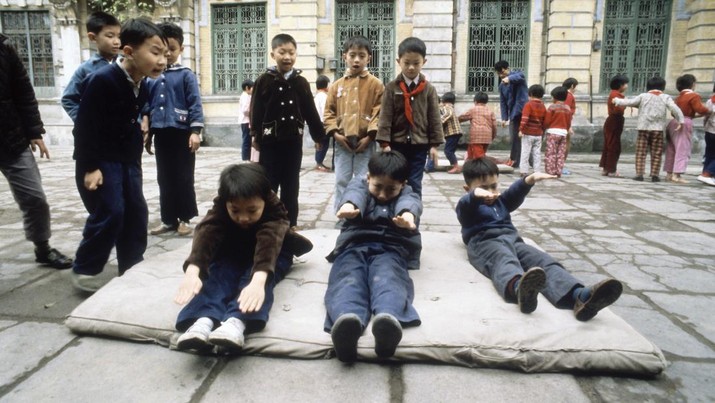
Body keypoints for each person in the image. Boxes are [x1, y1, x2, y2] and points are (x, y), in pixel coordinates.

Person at [456, 157, 623, 320]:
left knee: (542, 260)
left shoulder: (501, 202)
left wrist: (529, 180)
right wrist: (475, 195)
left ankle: (580, 296)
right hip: (484, 243)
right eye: (484, 188)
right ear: (467, 189)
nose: (491, 192)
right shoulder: (469, 206)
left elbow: (513, 194)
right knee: (504, 258)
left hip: (513, 240)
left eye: (494, 186)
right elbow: (464, 205)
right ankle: (519, 289)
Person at [70, 18, 167, 292]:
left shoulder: (144, 83)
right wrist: (90, 166)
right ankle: (85, 268)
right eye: (155, 52)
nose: (162, 60)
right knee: (112, 210)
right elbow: (85, 127)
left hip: (128, 159)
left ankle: (132, 265)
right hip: (101, 159)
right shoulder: (102, 80)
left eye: (164, 53)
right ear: (129, 51)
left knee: (137, 210)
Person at [174, 164, 313, 351]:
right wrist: (193, 271)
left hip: (272, 254)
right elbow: (207, 231)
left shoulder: (275, 209)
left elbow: (268, 242)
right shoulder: (222, 204)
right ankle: (203, 321)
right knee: (218, 274)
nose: (244, 218)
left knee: (254, 284)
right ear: (226, 203)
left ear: (264, 199)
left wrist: (258, 281)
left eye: (252, 210)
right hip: (235, 249)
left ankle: (236, 322)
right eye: (235, 211)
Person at [324, 151, 422, 362]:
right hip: (354, 245)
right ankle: (347, 321)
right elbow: (354, 194)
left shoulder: (407, 193)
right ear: (368, 177)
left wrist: (407, 216)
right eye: (377, 187)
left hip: (391, 248)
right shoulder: (359, 185)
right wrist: (349, 206)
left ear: (402, 184)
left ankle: (387, 320)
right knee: (348, 278)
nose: (383, 195)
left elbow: (411, 203)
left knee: (388, 278)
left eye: (391, 189)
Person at [0, 33, 73, 270]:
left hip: (10, 138)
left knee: (34, 197)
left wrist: (34, 132)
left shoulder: (4, 48)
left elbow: (23, 91)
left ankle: (43, 248)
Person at [250, 33, 327, 228]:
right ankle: (268, 221)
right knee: (269, 184)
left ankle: (290, 222)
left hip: (293, 143)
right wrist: (255, 135)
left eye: (291, 52)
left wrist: (319, 136)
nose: (287, 57)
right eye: (282, 52)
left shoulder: (300, 82)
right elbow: (256, 110)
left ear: (296, 55)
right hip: (269, 144)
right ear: (272, 54)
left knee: (291, 186)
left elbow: (310, 110)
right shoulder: (263, 81)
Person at [144, 23, 204, 237]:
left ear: (181, 50)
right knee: (164, 178)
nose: (167, 53)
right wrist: (148, 132)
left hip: (182, 134)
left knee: (183, 177)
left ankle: (185, 218)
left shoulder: (186, 75)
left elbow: (195, 103)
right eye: (162, 49)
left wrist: (195, 131)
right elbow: (146, 105)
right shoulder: (150, 76)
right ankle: (168, 219)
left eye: (172, 48)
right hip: (161, 133)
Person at [376, 36, 444, 198]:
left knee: (414, 183)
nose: (411, 68)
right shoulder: (392, 88)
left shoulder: (428, 89)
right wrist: (384, 143)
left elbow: (434, 118)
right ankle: (394, 218)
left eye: (416, 63)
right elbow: (385, 116)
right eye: (407, 63)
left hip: (419, 145)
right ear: (398, 61)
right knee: (395, 182)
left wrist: (434, 145)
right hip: (396, 145)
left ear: (424, 62)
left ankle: (411, 218)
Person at [325, 35, 385, 211]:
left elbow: (379, 112)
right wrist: (335, 134)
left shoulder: (376, 85)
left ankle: (360, 212)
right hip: (342, 142)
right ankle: (342, 213)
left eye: (361, 55)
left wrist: (370, 137)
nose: (356, 60)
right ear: (345, 56)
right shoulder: (336, 86)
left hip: (365, 142)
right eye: (352, 55)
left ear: (369, 58)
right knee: (341, 179)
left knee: (364, 178)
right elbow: (328, 112)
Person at [614, 76, 684, 182]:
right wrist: (681, 120)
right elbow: (675, 108)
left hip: (643, 128)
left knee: (641, 152)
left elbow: (630, 102)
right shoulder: (665, 97)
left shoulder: (643, 96)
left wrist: (617, 100)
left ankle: (639, 174)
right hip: (658, 129)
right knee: (657, 153)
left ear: (648, 87)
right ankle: (655, 175)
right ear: (663, 87)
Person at [61, 11, 121, 122]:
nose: (117, 42)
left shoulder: (124, 64)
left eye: (119, 36)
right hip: (97, 134)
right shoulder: (85, 69)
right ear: (93, 37)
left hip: (123, 131)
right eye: (110, 36)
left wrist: (141, 118)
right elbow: (68, 99)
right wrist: (84, 121)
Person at [664, 74, 709, 184]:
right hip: (684, 123)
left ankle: (669, 173)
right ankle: (677, 174)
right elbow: (700, 109)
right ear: (693, 84)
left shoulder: (678, 97)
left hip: (673, 122)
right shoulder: (693, 96)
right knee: (682, 149)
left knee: (671, 149)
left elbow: (673, 112)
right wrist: (709, 111)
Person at [494, 60, 528, 169]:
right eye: (499, 73)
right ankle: (515, 160)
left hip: (524, 111)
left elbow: (520, 76)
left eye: (502, 72)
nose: (501, 75)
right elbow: (503, 102)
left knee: (528, 138)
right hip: (513, 113)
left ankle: (523, 160)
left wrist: (509, 78)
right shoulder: (502, 85)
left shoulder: (517, 75)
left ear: (507, 69)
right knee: (514, 138)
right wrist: (504, 118)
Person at [599, 75, 629, 177]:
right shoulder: (617, 96)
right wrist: (625, 104)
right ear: (620, 85)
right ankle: (611, 170)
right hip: (615, 120)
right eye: (625, 84)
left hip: (611, 121)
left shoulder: (612, 93)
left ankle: (605, 169)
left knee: (608, 144)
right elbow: (618, 110)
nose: (626, 86)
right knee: (614, 145)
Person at [458, 91, 497, 161]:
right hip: (487, 136)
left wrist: (456, 120)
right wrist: (492, 136)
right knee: (477, 153)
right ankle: (470, 166)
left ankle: (491, 164)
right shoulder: (490, 111)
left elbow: (462, 117)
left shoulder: (473, 110)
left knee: (480, 157)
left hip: (476, 136)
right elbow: (494, 126)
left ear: (475, 101)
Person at [518, 84, 546, 177]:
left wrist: (521, 129)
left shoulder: (528, 105)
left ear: (530, 94)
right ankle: (537, 170)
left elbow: (524, 118)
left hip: (528, 133)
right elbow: (545, 121)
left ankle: (524, 171)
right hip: (538, 134)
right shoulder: (543, 106)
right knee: (537, 153)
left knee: (525, 152)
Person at [543, 87, 572, 178]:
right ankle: (558, 171)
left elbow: (547, 121)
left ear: (554, 97)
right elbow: (569, 122)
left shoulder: (552, 107)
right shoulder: (567, 108)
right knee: (560, 153)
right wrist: (566, 130)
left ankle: (550, 171)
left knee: (551, 152)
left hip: (553, 132)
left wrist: (544, 127)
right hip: (563, 133)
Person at [312, 74, 331, 172]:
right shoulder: (324, 97)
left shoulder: (316, 96)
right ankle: (319, 163)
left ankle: (319, 162)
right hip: (322, 123)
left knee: (320, 143)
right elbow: (325, 111)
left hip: (317, 123)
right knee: (324, 143)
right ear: (326, 85)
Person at [440, 91, 463, 174]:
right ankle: (454, 165)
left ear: (443, 100)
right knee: (451, 151)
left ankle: (456, 166)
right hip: (455, 132)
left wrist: (439, 122)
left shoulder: (447, 107)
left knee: (448, 151)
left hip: (453, 132)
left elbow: (447, 114)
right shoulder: (450, 106)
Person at [561, 77, 578, 175]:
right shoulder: (569, 96)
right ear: (572, 86)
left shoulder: (564, 94)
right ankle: (561, 165)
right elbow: (566, 111)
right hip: (565, 124)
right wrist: (568, 126)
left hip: (563, 123)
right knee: (565, 145)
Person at [699, 84, 715, 186]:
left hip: (709, 131)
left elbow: (706, 116)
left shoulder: (710, 100)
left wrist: (705, 127)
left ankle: (706, 173)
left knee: (709, 153)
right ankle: (707, 174)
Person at [238, 79, 254, 162]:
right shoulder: (245, 96)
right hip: (246, 121)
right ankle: (245, 158)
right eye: (252, 88)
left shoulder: (248, 95)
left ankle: (248, 157)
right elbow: (245, 110)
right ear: (247, 88)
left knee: (248, 140)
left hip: (247, 120)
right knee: (246, 140)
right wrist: (252, 114)